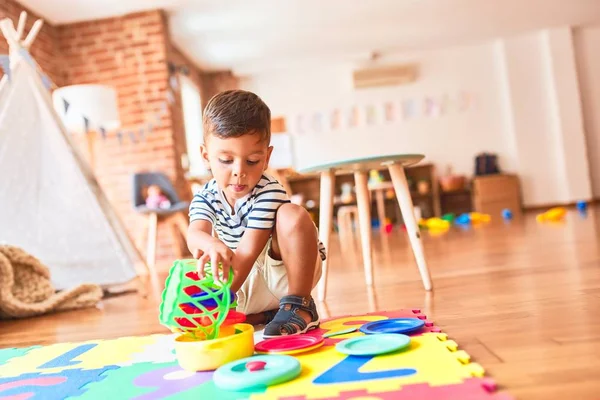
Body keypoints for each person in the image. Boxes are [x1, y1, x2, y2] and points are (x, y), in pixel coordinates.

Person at [187, 89, 326, 338]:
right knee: (211, 275)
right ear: (206, 156)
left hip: (285, 275)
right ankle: (266, 314)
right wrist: (211, 244)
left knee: (291, 215)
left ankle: (300, 306)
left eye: (251, 161)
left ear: (266, 157)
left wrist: (216, 304)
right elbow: (194, 234)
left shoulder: (268, 191)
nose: (239, 172)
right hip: (244, 281)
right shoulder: (206, 195)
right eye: (226, 161)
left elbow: (248, 253)